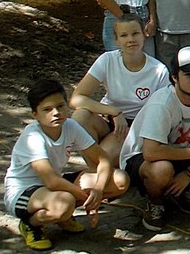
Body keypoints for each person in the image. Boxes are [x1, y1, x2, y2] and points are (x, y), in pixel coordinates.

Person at [4, 79, 129, 250]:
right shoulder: (33, 137)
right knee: (65, 203)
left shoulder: (70, 126)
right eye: (47, 109)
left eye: (60, 106)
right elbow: (51, 182)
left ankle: (63, 216)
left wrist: (98, 190)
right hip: (23, 192)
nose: (56, 113)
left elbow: (103, 159)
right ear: (35, 114)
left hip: (54, 188)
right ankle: (31, 223)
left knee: (119, 179)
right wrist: (87, 198)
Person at [119, 46, 190, 232]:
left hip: (182, 155)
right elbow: (150, 152)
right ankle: (155, 202)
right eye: (188, 75)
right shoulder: (162, 102)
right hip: (142, 158)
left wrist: (188, 174)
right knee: (161, 170)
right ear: (174, 77)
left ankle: (178, 190)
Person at [70, 13, 170, 166]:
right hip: (109, 117)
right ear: (117, 40)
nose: (130, 40)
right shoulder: (107, 60)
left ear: (144, 35)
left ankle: (98, 171)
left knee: (104, 158)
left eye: (135, 33)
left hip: (134, 126)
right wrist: (114, 111)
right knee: (79, 117)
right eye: (124, 35)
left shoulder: (159, 70)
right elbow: (77, 99)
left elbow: (163, 112)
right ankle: (97, 171)